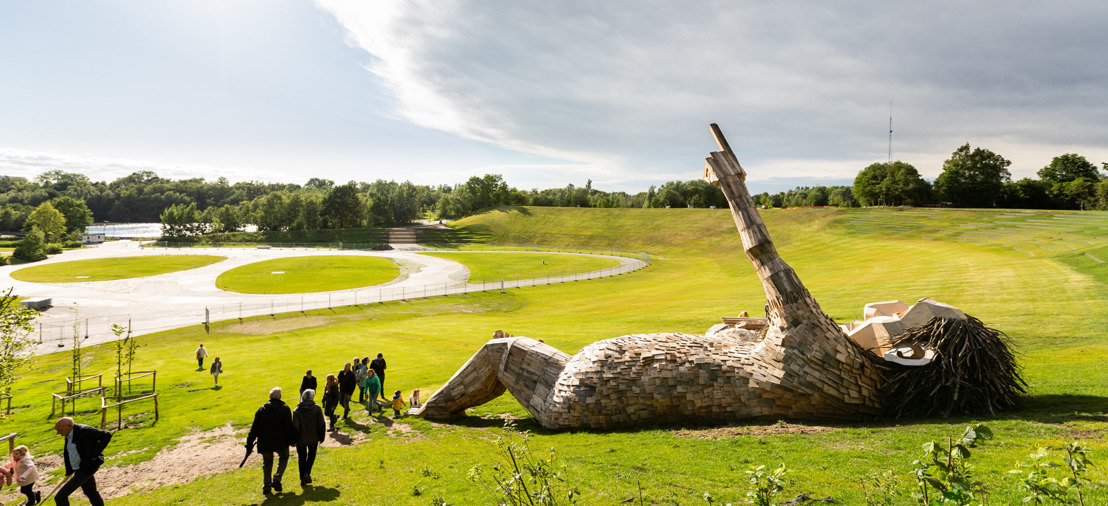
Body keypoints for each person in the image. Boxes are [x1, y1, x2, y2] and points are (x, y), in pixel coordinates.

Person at [246, 387, 296, 495]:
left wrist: (249, 445)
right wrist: (292, 440)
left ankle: (266, 485)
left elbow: (253, 430)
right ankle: (277, 478)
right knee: (284, 457)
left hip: (265, 442)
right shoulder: (284, 409)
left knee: (267, 462)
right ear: (280, 397)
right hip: (280, 441)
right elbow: (289, 427)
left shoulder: (261, 410)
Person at [53, 416, 111, 506]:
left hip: (87, 467)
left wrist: (94, 455)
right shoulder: (68, 434)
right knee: (91, 492)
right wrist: (69, 470)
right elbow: (68, 452)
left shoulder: (84, 430)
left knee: (60, 497)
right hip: (79, 468)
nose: (58, 433)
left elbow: (106, 435)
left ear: (69, 425)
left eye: (60, 430)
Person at [291, 389, 326, 487]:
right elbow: (321, 424)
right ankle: (307, 473)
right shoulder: (317, 408)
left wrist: (294, 440)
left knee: (301, 458)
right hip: (313, 437)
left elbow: (295, 427)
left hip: (301, 439)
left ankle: (302, 478)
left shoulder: (297, 410)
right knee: (311, 455)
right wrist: (322, 437)